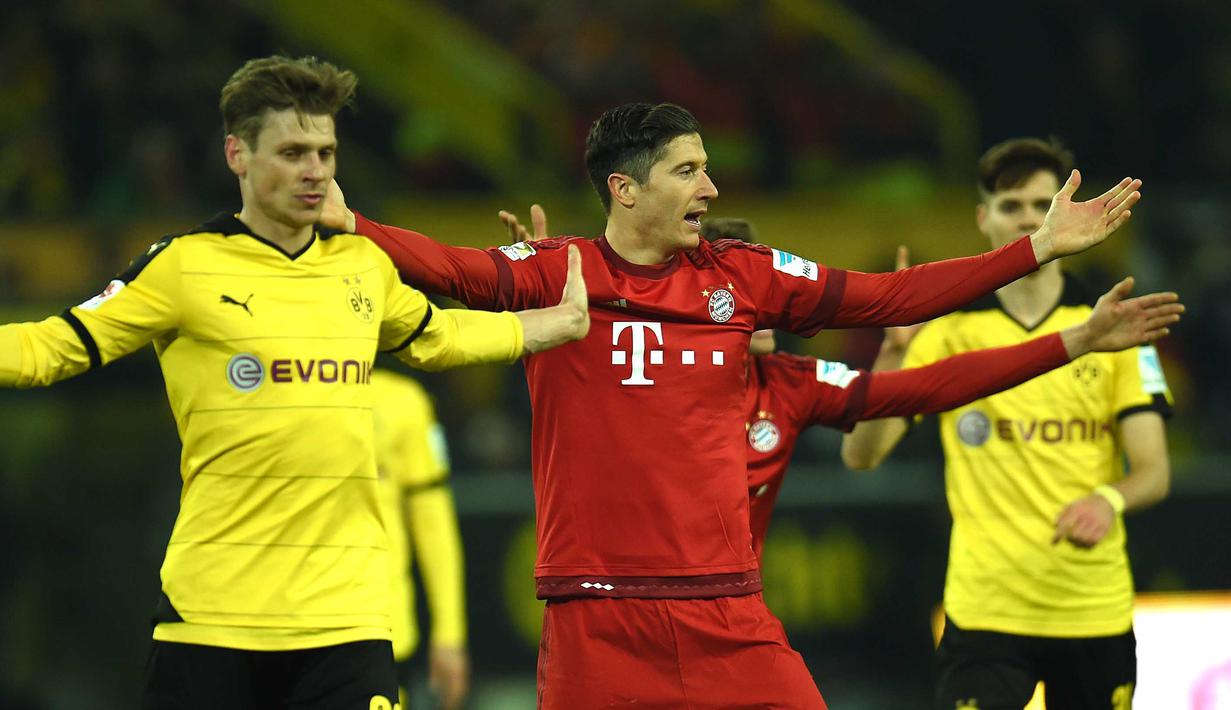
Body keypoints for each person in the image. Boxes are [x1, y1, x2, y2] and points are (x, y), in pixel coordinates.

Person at [323, 102, 1146, 708]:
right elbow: (453, 269)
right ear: (625, 188)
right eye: (687, 170)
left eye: (706, 168)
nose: (709, 186)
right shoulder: (559, 274)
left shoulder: (742, 281)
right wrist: (350, 221)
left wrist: (1034, 249)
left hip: (726, 612)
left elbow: (889, 301)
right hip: (595, 618)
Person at [0, 55, 590, 710]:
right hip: (213, 618)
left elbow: (440, 337)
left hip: (348, 625)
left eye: (325, 152)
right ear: (237, 154)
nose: (314, 170)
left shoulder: (364, 265)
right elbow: (50, 346)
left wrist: (551, 322)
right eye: (292, 152)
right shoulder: (182, 268)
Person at [499, 210, 1179, 565]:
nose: (753, 315)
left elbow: (928, 387)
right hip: (613, 606)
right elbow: (583, 381)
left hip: (727, 610)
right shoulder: (636, 370)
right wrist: (547, 315)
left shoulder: (792, 386)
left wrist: (1076, 341)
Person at [841, 138, 1174, 710]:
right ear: (982, 218)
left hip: (1092, 608)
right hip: (985, 612)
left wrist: (1107, 500)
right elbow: (862, 456)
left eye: (1043, 204)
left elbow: (1154, 472)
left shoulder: (1108, 327)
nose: (1029, 219)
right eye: (1012, 205)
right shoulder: (944, 332)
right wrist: (893, 355)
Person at [370, 368, 469, 709]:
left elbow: (433, 523)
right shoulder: (267, 391)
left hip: (382, 632)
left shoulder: (400, 402)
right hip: (279, 627)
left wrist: (450, 634)